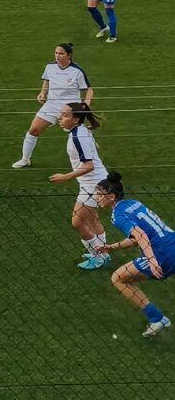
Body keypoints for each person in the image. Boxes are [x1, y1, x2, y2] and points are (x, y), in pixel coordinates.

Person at [90, 172, 175, 337]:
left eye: (100, 195)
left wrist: (152, 260)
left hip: (162, 254)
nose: (96, 198)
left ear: (112, 196)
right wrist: (112, 247)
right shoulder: (134, 203)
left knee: (118, 278)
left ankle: (157, 319)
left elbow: (141, 235)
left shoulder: (118, 216)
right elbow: (137, 238)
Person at [49, 101, 111, 269]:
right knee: (92, 219)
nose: (60, 118)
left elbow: (88, 165)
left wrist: (65, 177)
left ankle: (98, 257)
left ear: (76, 120)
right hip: (97, 182)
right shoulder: (82, 130)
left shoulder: (78, 136)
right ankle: (103, 253)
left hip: (93, 186)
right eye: (61, 114)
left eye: (65, 115)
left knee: (77, 222)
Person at [12, 42, 91, 169]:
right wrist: (43, 92)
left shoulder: (77, 71)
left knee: (78, 135)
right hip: (51, 105)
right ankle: (25, 159)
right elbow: (47, 80)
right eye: (56, 53)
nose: (57, 56)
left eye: (61, 53)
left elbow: (89, 89)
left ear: (69, 55)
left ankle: (88, 155)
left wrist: (86, 104)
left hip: (69, 109)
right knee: (34, 130)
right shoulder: (50, 67)